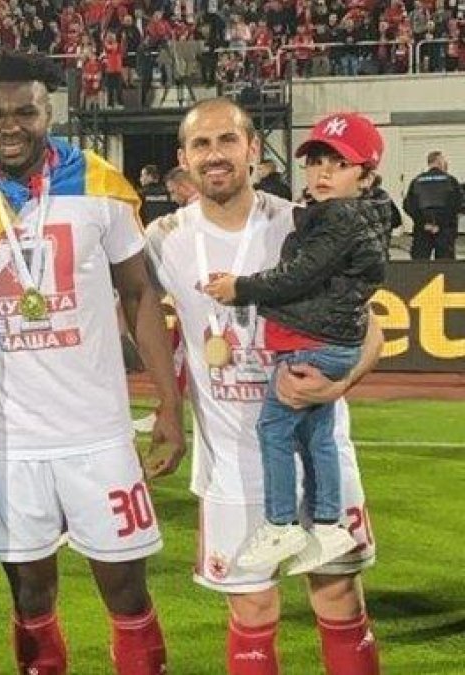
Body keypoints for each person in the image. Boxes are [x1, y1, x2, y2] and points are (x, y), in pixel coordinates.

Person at [0, 50, 184, 675]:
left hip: (98, 434)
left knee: (127, 593)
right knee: (30, 597)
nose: (9, 125)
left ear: (50, 112)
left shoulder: (101, 184)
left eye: (25, 111)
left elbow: (138, 292)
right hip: (7, 441)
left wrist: (170, 403)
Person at [145, 97, 382, 675]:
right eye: (201, 144)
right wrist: (168, 414)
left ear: (253, 149)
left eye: (228, 141)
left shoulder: (303, 222)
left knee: (338, 596)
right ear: (184, 159)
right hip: (231, 461)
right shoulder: (163, 236)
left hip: (317, 447)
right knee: (251, 608)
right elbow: (141, 318)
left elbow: (370, 326)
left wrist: (338, 384)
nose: (215, 155)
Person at [203, 112, 388, 577]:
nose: (323, 172)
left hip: (309, 346)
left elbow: (305, 279)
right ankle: (327, 524)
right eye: (317, 160)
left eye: (340, 164)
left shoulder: (332, 218)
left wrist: (241, 288)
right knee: (314, 436)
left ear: (365, 175)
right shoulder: (328, 215)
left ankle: (282, 522)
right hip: (314, 343)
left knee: (276, 430)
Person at [403, 150, 462, 259]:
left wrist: (424, 223)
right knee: (445, 266)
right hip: (445, 230)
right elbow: (456, 204)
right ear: (439, 162)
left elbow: (408, 205)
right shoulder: (451, 181)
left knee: (420, 265)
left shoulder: (417, 181)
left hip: (422, 230)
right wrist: (440, 224)